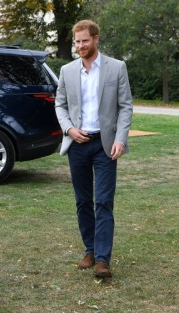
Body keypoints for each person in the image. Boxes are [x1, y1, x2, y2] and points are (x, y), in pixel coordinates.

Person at [55, 20, 133, 278]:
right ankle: (89, 251)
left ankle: (102, 259)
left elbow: (125, 107)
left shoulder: (117, 68)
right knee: (82, 201)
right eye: (77, 42)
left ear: (96, 39)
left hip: (105, 144)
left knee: (104, 201)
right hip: (77, 143)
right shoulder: (67, 70)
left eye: (84, 41)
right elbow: (60, 105)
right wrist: (69, 129)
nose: (80, 46)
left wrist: (120, 139)